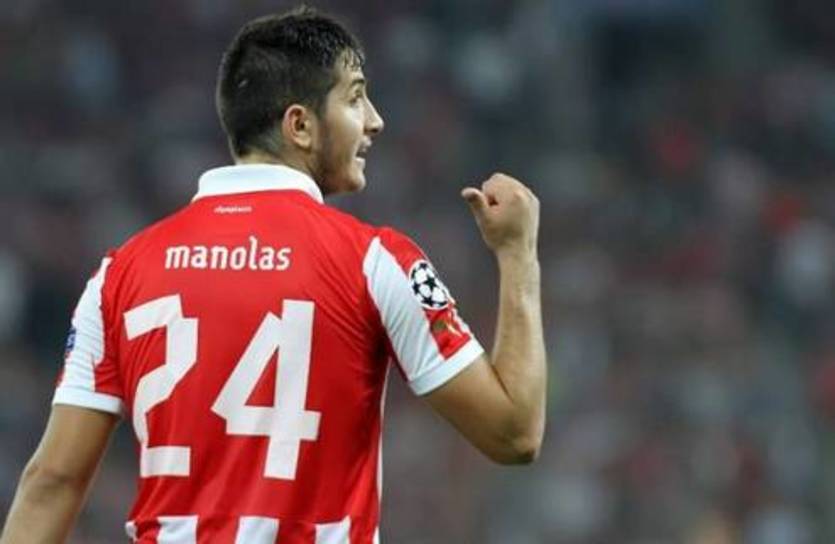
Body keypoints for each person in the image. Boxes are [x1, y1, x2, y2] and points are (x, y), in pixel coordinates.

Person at [0, 6, 545, 543]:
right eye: (355, 98)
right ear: (300, 125)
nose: (375, 120)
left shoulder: (120, 273)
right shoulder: (376, 261)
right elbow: (514, 433)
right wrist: (517, 254)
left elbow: (52, 481)